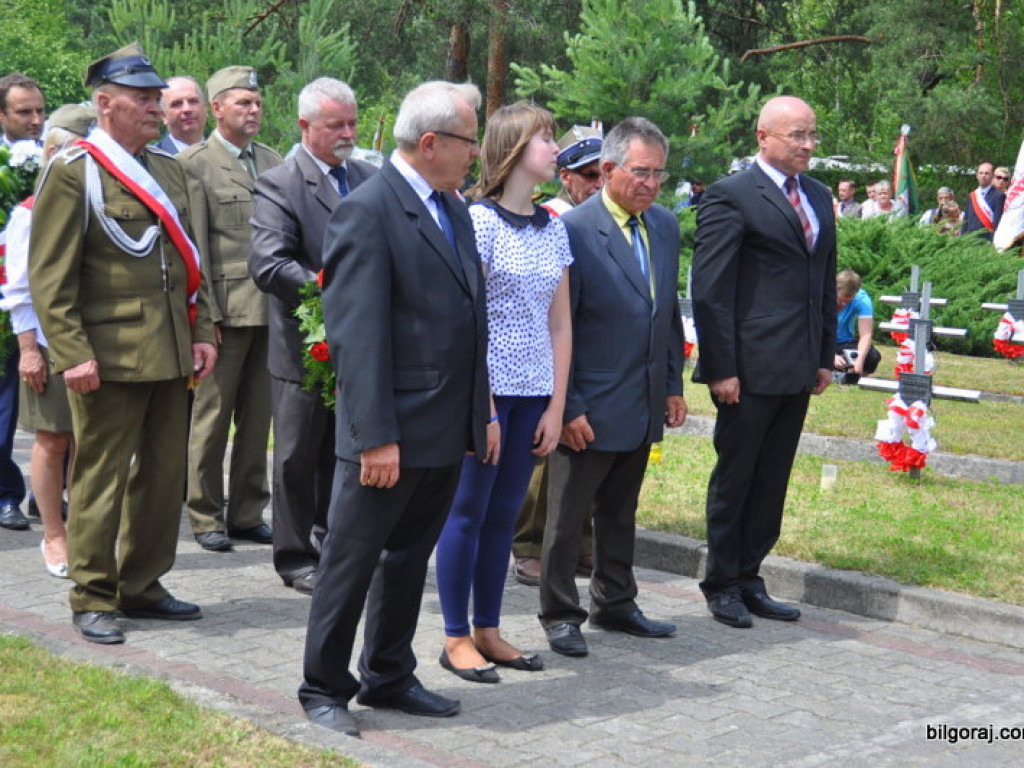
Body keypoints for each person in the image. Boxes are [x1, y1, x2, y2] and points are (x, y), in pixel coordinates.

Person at [298, 80, 493, 738]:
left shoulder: (452, 207)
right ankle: (323, 686)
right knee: (350, 564)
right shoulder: (370, 210)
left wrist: (479, 411)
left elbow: (470, 319)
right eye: (470, 140)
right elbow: (356, 333)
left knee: (408, 559)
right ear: (432, 142)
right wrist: (374, 436)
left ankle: (388, 672)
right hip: (388, 433)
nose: (478, 153)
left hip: (441, 428)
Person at [29, 43, 217, 644]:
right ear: (105, 104)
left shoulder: (166, 170)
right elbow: (50, 275)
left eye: (156, 98)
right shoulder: (74, 172)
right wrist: (70, 351)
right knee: (100, 480)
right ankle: (92, 593)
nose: (156, 108)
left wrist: (204, 331)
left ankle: (142, 584)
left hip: (169, 351)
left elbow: (191, 264)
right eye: (143, 99)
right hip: (105, 357)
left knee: (163, 477)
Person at [538, 116, 686, 659]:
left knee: (621, 512)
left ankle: (616, 601)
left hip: (641, 398)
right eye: (639, 172)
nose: (649, 183)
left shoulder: (664, 225)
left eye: (658, 174)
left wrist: (672, 384)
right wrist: (567, 404)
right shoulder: (574, 228)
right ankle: (559, 612)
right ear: (607, 169)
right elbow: (559, 326)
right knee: (567, 516)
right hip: (589, 405)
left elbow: (664, 312)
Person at [434, 102, 571, 682]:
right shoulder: (477, 221)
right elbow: (467, 323)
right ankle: (455, 636)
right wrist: (483, 406)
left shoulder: (554, 226)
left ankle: (489, 628)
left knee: (505, 516)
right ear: (514, 148)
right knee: (465, 514)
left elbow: (561, 323)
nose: (556, 149)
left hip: (534, 394)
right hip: (484, 395)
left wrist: (557, 406)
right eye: (546, 138)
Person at [691, 95, 836, 630]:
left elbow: (823, 278)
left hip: (797, 366)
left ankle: (750, 575)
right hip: (747, 370)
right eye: (797, 135)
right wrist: (722, 367)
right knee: (737, 475)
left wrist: (824, 356)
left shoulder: (818, 196)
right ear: (763, 137)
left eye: (812, 135)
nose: (807, 145)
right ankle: (722, 581)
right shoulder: (732, 196)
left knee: (772, 477)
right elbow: (711, 290)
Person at [249, 77, 377, 595]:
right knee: (299, 456)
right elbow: (268, 263)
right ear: (305, 126)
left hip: (361, 345)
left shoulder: (368, 177)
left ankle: (335, 546)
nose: (348, 133)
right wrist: (330, 290)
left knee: (344, 454)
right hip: (306, 347)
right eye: (335, 125)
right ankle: (296, 556)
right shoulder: (280, 183)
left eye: (351, 122)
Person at [179, 66, 282, 552]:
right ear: (216, 108)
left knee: (258, 419)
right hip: (224, 315)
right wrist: (206, 318)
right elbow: (195, 248)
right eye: (242, 102)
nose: (253, 110)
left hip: (271, 310)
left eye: (257, 102)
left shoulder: (271, 160)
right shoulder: (197, 164)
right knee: (212, 420)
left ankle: (246, 512)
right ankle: (205, 516)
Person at [0, 103, 95, 576]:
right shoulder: (30, 213)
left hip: (89, 341)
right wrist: (29, 350)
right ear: (56, 153)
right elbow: (17, 288)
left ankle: (83, 530)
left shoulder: (92, 204)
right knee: (54, 439)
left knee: (85, 440)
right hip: (48, 342)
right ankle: (54, 536)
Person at [512, 123, 603, 588]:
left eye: (602, 174)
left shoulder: (598, 218)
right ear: (565, 177)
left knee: (585, 454)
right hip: (542, 351)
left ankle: (580, 542)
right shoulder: (554, 219)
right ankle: (528, 544)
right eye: (588, 175)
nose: (597, 184)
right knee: (544, 459)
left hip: (587, 351)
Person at [0, 72, 45, 532]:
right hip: (6, 299)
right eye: (23, 112)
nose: (35, 120)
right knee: (3, 409)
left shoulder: (54, 155)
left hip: (39, 302)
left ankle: (46, 494)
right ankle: (7, 492)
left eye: (39, 110)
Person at [833, 269, 880, 385]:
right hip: (820, 342)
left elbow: (866, 335)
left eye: (848, 302)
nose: (843, 305)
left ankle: (846, 370)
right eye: (841, 300)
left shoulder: (863, 300)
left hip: (844, 342)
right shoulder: (822, 296)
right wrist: (829, 355)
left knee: (872, 357)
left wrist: (859, 359)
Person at [155, 76, 207, 154]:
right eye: (177, 104)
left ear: (205, 108)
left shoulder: (225, 154)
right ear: (163, 116)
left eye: (193, 101)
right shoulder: (150, 161)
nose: (187, 109)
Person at [962, 162, 1005, 240]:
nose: (983, 176)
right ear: (977, 176)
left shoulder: (999, 196)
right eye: (981, 173)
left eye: (986, 173)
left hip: (987, 240)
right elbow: (966, 221)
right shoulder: (972, 195)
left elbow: (997, 223)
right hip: (970, 240)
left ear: (992, 176)